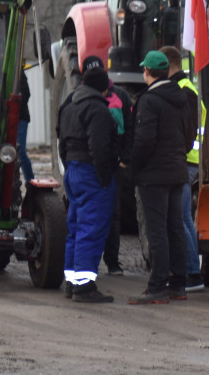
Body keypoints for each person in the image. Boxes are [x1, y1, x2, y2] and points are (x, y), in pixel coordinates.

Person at [128, 50, 190, 305]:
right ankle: (178, 285)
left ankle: (157, 287)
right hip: (177, 171)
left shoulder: (149, 101)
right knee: (175, 228)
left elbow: (144, 140)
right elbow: (188, 135)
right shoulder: (182, 97)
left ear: (147, 72)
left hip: (154, 176)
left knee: (157, 232)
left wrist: (133, 168)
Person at [58, 61, 118, 303]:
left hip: (72, 170)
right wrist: (105, 178)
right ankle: (85, 287)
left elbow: (60, 138)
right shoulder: (97, 109)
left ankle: (72, 283)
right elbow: (100, 148)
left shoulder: (68, 105)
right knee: (91, 230)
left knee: (75, 229)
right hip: (91, 174)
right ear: (103, 88)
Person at [74, 56, 132, 277]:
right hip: (90, 166)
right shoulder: (78, 99)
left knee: (112, 215)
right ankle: (87, 266)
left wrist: (125, 159)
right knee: (87, 217)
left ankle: (112, 261)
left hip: (114, 165)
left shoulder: (121, 96)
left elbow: (129, 130)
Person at [159, 46, 205, 292]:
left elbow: (186, 130)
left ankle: (192, 273)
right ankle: (192, 270)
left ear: (169, 64)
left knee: (182, 218)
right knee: (184, 218)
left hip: (186, 161)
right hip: (190, 160)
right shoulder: (189, 88)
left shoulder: (183, 91)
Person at [17, 68, 34, 182]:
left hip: (20, 117)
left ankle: (30, 181)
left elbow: (26, 93)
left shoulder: (17, 71)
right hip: (14, 117)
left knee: (20, 152)